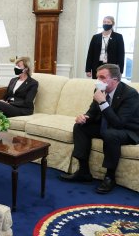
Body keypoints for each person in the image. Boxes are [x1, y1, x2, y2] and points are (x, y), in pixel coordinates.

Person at [60, 64, 139, 194]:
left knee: (111, 134)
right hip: (107, 126)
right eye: (97, 77)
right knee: (80, 126)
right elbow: (92, 112)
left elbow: (119, 123)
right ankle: (83, 171)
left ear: (115, 80)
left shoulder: (130, 94)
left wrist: (103, 102)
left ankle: (109, 177)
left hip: (129, 130)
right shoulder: (99, 90)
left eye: (102, 77)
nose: (98, 81)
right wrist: (84, 117)